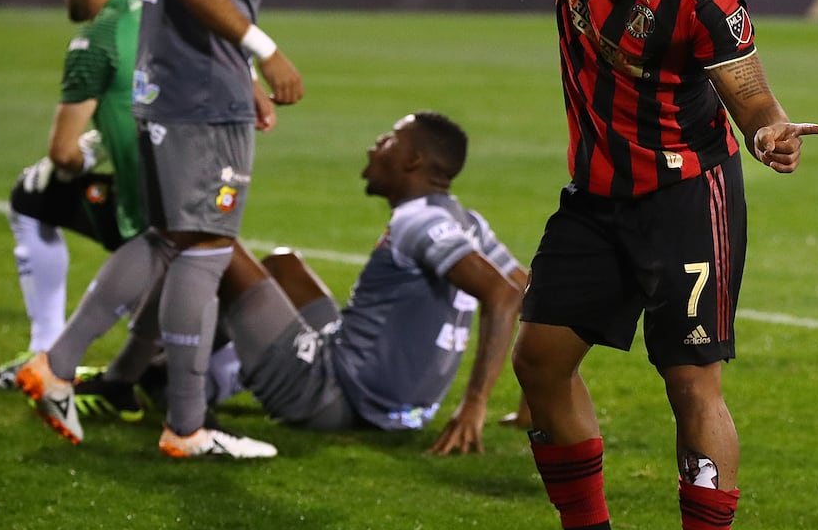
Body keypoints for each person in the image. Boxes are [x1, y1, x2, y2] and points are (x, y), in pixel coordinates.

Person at [496, 0, 818, 530]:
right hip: (595, 196)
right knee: (537, 361)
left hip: (683, 197)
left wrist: (770, 133)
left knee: (690, 382)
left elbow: (749, 95)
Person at [15, 0, 305, 459]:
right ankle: (185, 425)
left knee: (171, 240)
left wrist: (236, 72)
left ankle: (55, 366)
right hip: (196, 91)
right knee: (206, 246)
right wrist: (262, 54)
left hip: (171, 79)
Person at [133, 112, 527, 453]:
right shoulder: (468, 221)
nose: (375, 146)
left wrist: (474, 403)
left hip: (336, 394)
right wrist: (535, 396)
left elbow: (503, 295)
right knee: (284, 266)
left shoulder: (419, 222)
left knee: (212, 238)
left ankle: (162, 388)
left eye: (388, 139)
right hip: (398, 406)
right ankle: (172, 372)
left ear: (413, 160)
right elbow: (528, 292)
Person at [0, 0, 144, 391]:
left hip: (145, 213)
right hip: (202, 190)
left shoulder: (96, 39)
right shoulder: (157, 21)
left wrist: (86, 153)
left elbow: (63, 153)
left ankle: (44, 352)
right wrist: (105, 143)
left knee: (33, 191)